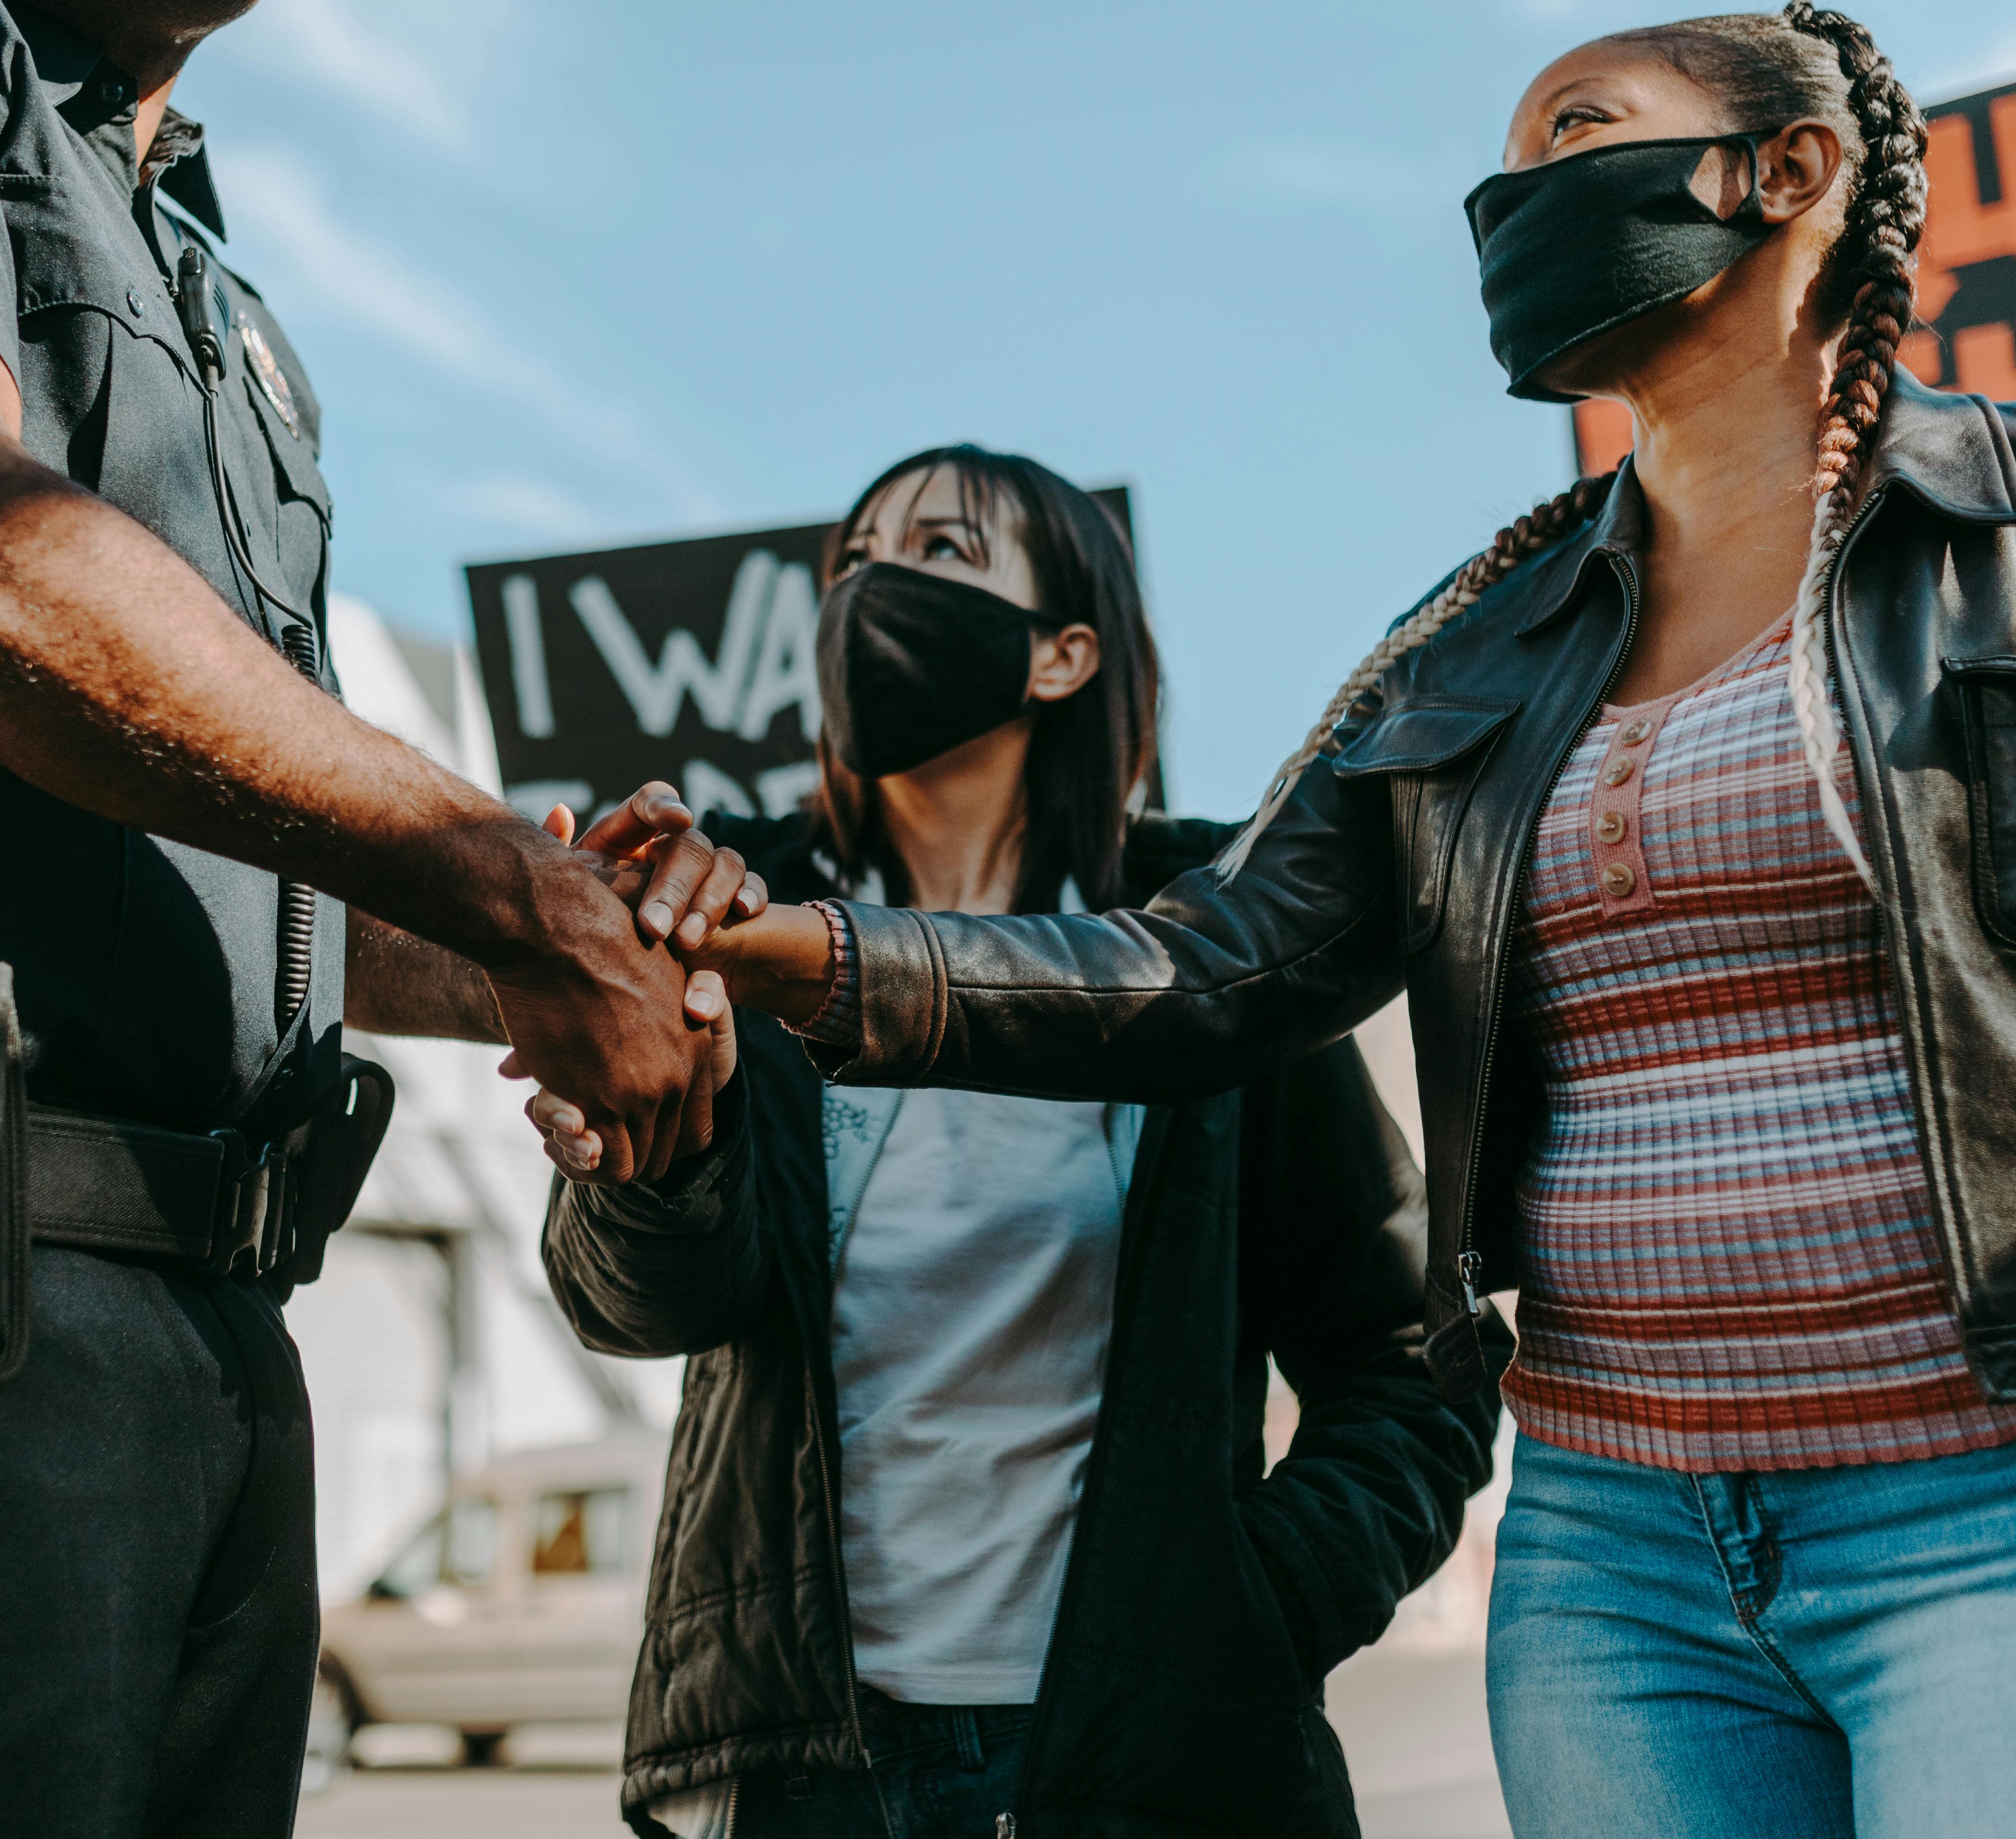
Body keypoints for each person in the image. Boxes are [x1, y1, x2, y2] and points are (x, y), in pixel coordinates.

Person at [605, 9, 2016, 1837]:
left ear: (1788, 175)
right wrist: (806, 955)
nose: (1506, 198)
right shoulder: (1468, 646)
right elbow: (1202, 967)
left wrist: (1241, 1611)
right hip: (1621, 1555)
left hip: (1999, 1506)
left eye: (1575, 132)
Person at [0, 2, 749, 1836]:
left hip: (207, 1331)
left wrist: (573, 941)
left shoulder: (209, 286)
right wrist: (514, 884)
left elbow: (257, 869)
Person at [528, 448, 1502, 1839]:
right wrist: (645, 1158)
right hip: (806, 1769)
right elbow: (639, 1308)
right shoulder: (722, 915)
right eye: (852, 556)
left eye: (936, 549)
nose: (871, 586)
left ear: (1062, 654)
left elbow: (1408, 1359)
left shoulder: (1211, 944)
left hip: (1151, 1761)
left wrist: (1261, 1606)